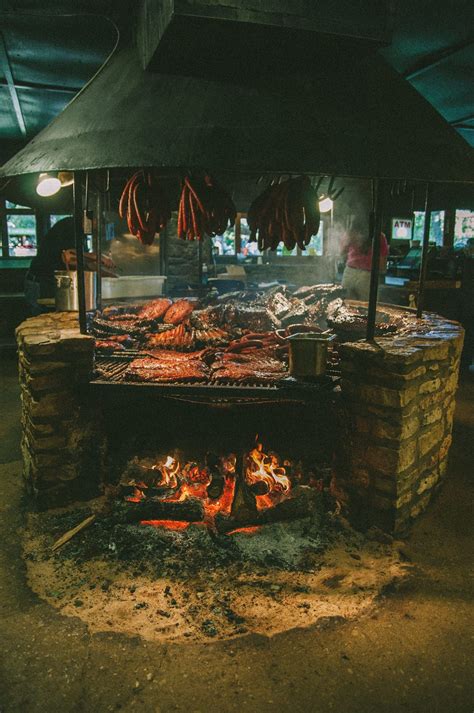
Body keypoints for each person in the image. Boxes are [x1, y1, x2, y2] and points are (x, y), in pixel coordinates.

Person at [24, 217, 75, 315]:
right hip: (38, 283)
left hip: (46, 281)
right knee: (39, 320)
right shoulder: (70, 227)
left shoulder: (74, 228)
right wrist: (96, 258)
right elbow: (68, 257)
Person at [340, 219, 389, 301]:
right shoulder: (380, 237)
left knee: (346, 306)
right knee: (366, 308)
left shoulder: (351, 235)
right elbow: (382, 265)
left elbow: (341, 252)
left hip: (349, 273)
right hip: (368, 277)